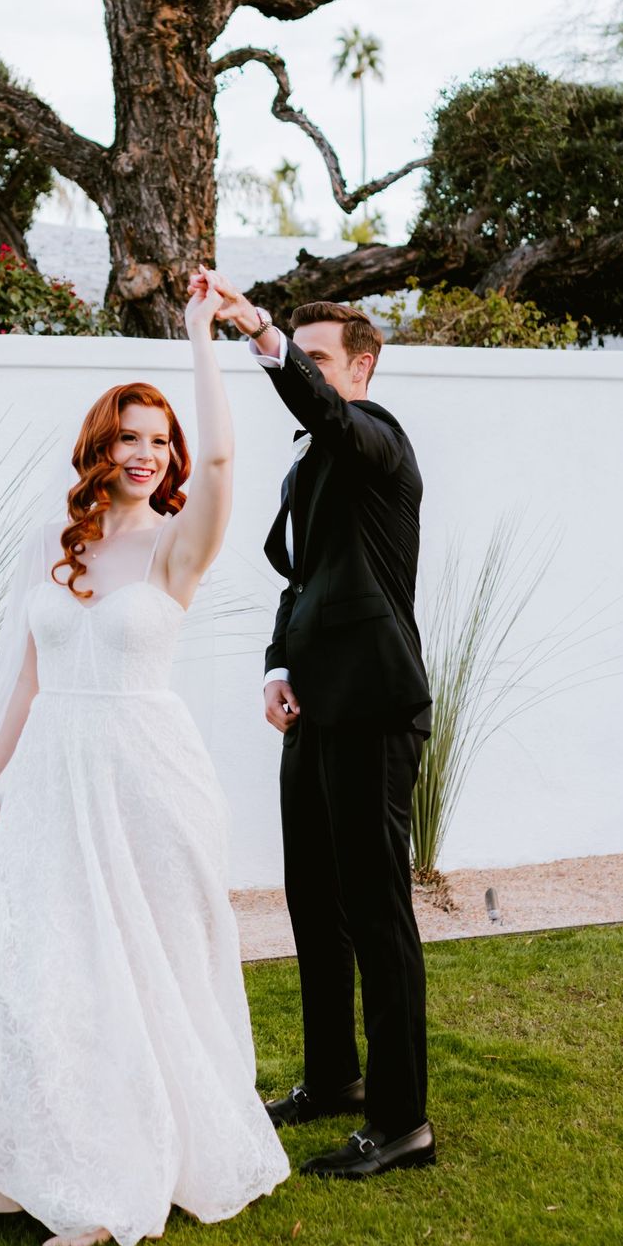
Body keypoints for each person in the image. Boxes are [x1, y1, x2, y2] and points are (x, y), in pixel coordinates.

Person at [0, 268, 289, 1246]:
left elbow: (223, 459)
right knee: (46, 967)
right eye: (130, 438)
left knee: (143, 970)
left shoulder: (180, 547)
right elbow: (25, 676)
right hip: (51, 775)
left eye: (159, 441)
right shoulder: (55, 547)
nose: (146, 455)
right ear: (101, 448)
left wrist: (201, 335)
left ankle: (124, 1175)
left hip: (147, 776)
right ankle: (43, 1159)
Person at [205, 279, 436, 1180]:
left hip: (374, 706)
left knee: (378, 912)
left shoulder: (377, 439)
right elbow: (299, 584)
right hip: (311, 709)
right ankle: (334, 1077)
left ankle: (402, 1122)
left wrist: (262, 335)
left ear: (362, 368)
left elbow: (328, 414)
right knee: (313, 901)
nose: (307, 369)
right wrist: (276, 668)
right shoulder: (308, 469)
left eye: (320, 358)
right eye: (300, 355)